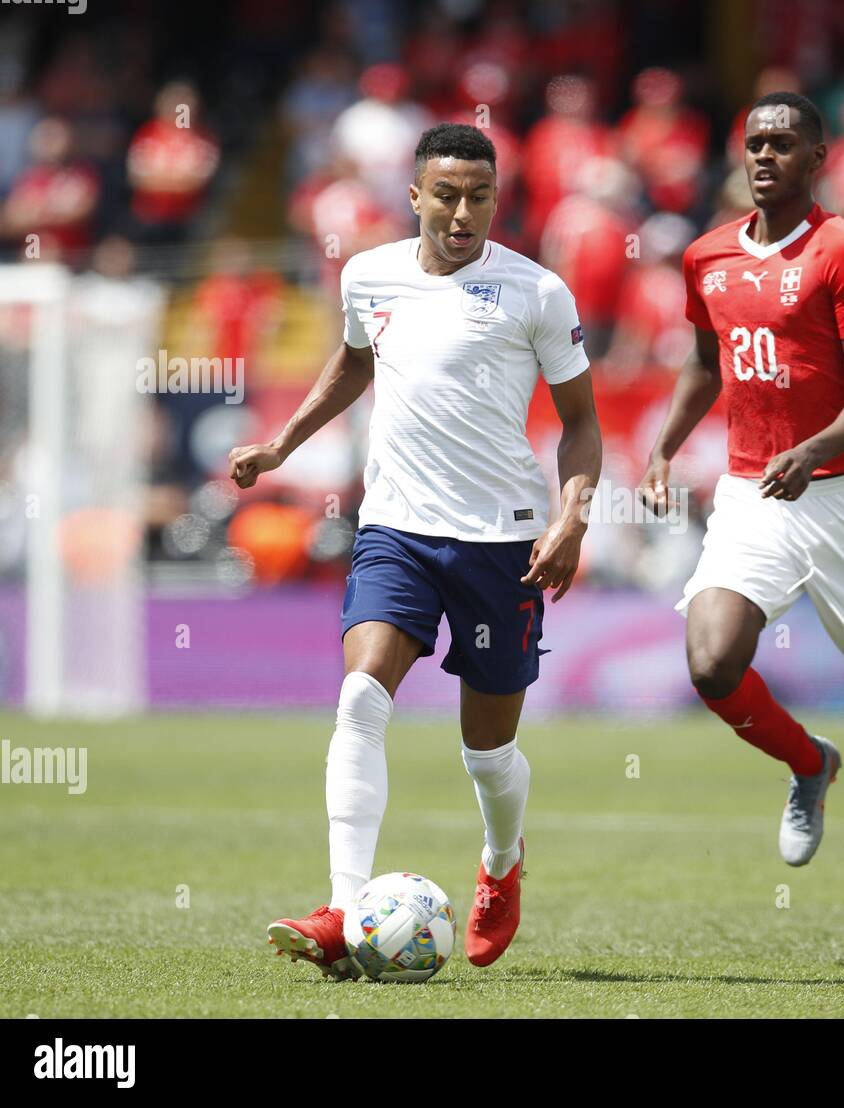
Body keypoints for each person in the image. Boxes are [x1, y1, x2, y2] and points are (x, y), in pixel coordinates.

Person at [230, 123, 601, 976]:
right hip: (394, 529)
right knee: (361, 698)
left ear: (496, 199)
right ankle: (342, 907)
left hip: (499, 541)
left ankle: (502, 863)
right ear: (416, 196)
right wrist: (282, 445)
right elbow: (355, 365)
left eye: (478, 197)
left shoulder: (537, 292)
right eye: (446, 195)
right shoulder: (369, 274)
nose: (461, 213)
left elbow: (581, 423)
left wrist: (572, 515)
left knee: (487, 751)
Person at [638, 91, 844, 962]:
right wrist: (665, 450)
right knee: (712, 661)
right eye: (753, 142)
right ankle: (808, 763)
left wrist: (813, 450)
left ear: (818, 156)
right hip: (756, 494)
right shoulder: (708, 256)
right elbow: (708, 363)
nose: (764, 157)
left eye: (783, 144)